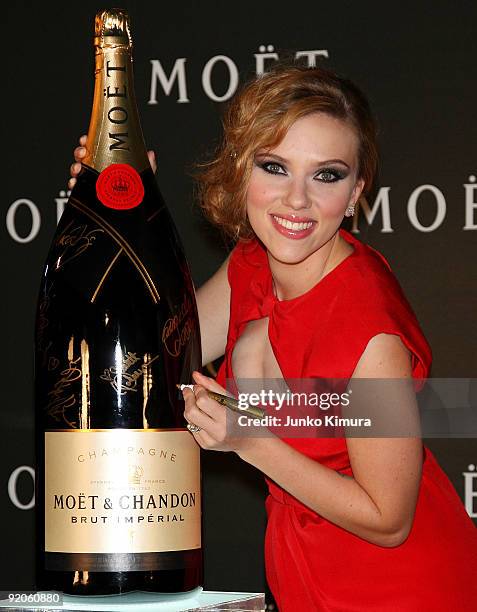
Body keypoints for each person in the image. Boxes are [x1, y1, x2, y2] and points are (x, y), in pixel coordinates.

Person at [69, 65, 477, 611]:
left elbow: (389, 520)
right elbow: (152, 342)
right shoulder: (251, 266)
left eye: (326, 175)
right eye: (275, 167)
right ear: (243, 171)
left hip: (402, 591)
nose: (296, 200)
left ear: (356, 192)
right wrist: (123, 209)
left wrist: (252, 441)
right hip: (304, 581)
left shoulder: (369, 328)